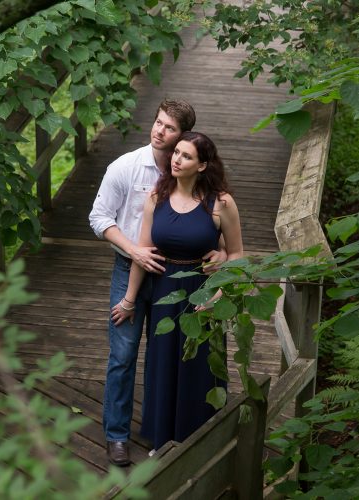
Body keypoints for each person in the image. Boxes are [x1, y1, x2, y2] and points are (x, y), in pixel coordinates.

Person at [90, 100, 225, 466]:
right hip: (130, 270)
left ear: (185, 138)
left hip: (177, 276)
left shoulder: (192, 169)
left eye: (169, 128)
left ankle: (164, 427)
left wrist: (223, 254)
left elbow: (213, 226)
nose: (159, 131)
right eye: (158, 123)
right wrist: (134, 250)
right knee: (123, 353)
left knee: (170, 354)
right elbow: (98, 217)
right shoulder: (127, 167)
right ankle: (116, 436)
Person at [111, 131, 243, 451]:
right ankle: (163, 438)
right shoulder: (157, 195)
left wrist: (218, 297)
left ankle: (204, 440)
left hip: (203, 292)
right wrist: (129, 300)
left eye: (186, 156)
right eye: (176, 153)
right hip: (165, 291)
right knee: (163, 363)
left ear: (202, 166)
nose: (176, 159)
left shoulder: (220, 202)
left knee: (201, 367)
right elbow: (144, 252)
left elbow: (238, 255)